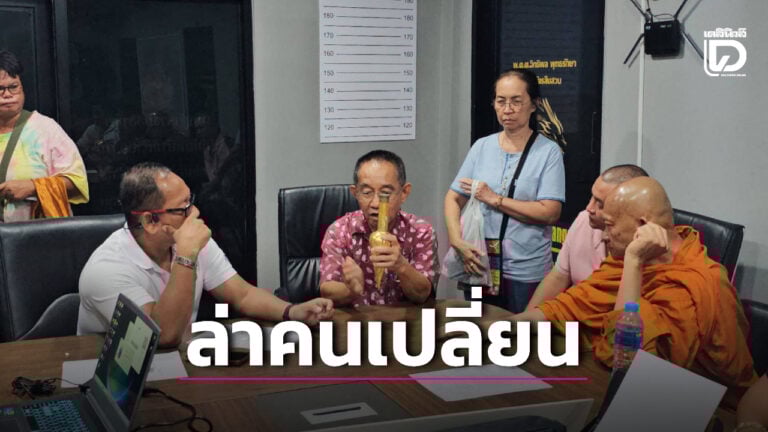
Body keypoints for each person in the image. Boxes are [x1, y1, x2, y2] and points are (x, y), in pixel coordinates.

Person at [513, 177, 756, 388]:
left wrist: (633, 262)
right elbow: (568, 306)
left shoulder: (697, 282)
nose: (604, 236)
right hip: (616, 382)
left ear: (643, 226)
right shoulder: (622, 259)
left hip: (703, 405)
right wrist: (504, 326)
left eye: (609, 226)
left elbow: (627, 359)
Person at [78, 162, 333, 347]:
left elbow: (242, 294)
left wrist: (292, 311)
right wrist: (186, 256)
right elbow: (160, 336)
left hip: (182, 358)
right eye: (183, 209)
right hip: (119, 376)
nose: (195, 213)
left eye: (191, 201)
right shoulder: (106, 269)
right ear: (150, 221)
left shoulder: (187, 239)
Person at [444, 68, 565, 313]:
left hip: (524, 269)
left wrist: (495, 199)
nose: (507, 109)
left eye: (516, 101)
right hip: (480, 262)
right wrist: (457, 241)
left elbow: (550, 212)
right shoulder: (482, 146)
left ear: (534, 104)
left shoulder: (548, 151)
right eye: (501, 101)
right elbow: (453, 198)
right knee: (477, 329)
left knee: (521, 332)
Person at [319, 150, 437, 306]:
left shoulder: (421, 231)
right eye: (367, 192)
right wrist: (351, 289)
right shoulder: (339, 231)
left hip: (403, 318)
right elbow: (326, 289)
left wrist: (401, 266)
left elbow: (422, 295)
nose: (375, 204)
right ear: (355, 193)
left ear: (404, 193)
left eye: (385, 194)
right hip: (358, 318)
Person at [526, 164, 648, 311]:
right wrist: (525, 320)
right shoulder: (584, 220)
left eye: (600, 204)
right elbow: (558, 277)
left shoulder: (649, 248)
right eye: (592, 197)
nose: (589, 208)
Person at [0, 50, 89, 222]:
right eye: (0, 89)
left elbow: (78, 182)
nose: (8, 95)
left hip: (36, 234)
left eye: (13, 87)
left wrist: (33, 187)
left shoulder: (44, 129)